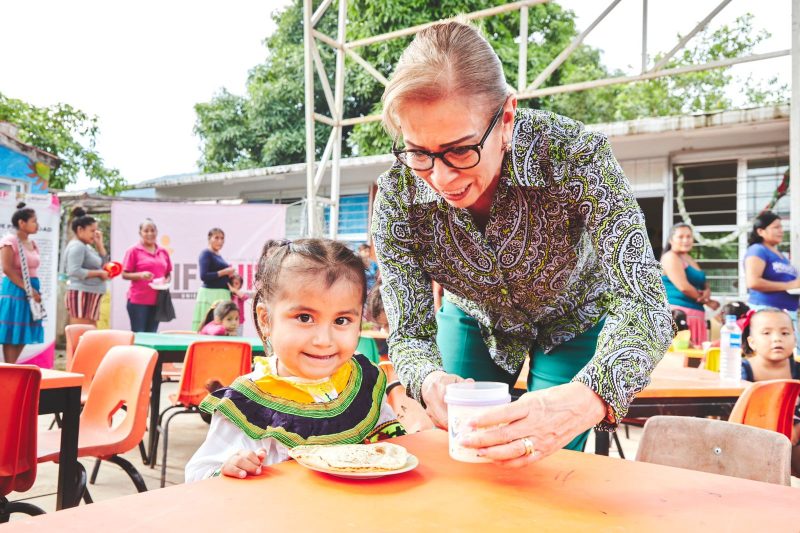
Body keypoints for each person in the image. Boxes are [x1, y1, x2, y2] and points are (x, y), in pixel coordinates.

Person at [371, 20, 673, 465]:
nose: (441, 178)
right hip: (473, 317)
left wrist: (589, 398)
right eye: (418, 152)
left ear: (507, 118)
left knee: (543, 458)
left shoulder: (574, 155)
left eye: (461, 150)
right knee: (464, 453)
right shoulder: (397, 197)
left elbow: (644, 303)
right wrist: (427, 379)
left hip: (574, 317)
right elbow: (409, 333)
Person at [185, 239, 405, 481]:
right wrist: (229, 470)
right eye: (304, 317)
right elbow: (196, 476)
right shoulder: (245, 404)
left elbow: (393, 444)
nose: (324, 340)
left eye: (341, 321)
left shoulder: (362, 381)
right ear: (266, 320)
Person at [738, 308, 800, 474]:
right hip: (751, 435)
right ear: (752, 342)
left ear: (795, 339)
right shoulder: (742, 370)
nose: (777, 338)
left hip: (794, 437)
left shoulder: (798, 370)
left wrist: (796, 427)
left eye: (785, 333)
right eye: (766, 333)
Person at [743, 211, 800, 346]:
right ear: (761, 231)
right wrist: (790, 285)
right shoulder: (758, 250)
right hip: (766, 313)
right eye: (776, 227)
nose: (781, 231)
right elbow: (753, 282)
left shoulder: (781, 255)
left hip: (786, 314)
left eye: (781, 227)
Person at [661, 223, 719, 347]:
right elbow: (684, 287)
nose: (686, 240)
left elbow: (702, 281)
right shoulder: (670, 257)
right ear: (671, 240)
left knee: (696, 356)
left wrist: (707, 290)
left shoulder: (688, 258)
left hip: (696, 316)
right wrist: (708, 302)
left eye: (689, 236)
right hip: (679, 316)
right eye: (681, 237)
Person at [0, 203, 43, 363]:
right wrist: (28, 288)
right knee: (13, 332)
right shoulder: (10, 241)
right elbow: (7, 268)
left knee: (24, 329)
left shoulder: (33, 244)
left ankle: (12, 367)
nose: (37, 224)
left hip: (31, 289)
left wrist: (33, 290)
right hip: (15, 290)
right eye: (34, 221)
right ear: (22, 223)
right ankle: (9, 368)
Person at [121, 219, 172, 333]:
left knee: (152, 334)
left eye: (152, 230)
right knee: (139, 334)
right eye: (146, 231)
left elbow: (168, 273)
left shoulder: (163, 251)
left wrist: (166, 281)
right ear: (140, 233)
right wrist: (140, 275)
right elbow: (124, 274)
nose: (150, 233)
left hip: (158, 300)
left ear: (157, 232)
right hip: (138, 301)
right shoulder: (133, 251)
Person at [64, 206, 110, 326]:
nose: (95, 234)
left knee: (90, 330)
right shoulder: (77, 246)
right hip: (81, 293)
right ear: (80, 230)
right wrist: (99, 273)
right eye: (92, 231)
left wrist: (100, 244)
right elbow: (74, 271)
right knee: (80, 330)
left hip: (92, 293)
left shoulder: (86, 246)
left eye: (96, 230)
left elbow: (104, 264)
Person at [192, 228, 235, 331]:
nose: (220, 241)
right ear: (209, 239)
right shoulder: (205, 253)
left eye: (222, 238)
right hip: (210, 295)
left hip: (222, 294)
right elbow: (204, 276)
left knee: (223, 328)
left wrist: (229, 275)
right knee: (207, 326)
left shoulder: (218, 255)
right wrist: (224, 272)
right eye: (216, 238)